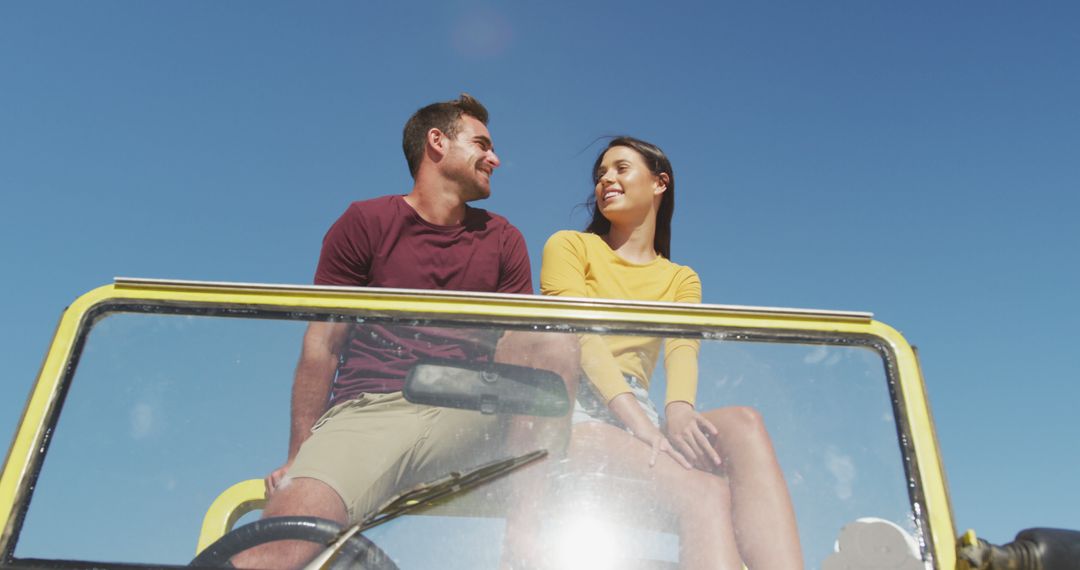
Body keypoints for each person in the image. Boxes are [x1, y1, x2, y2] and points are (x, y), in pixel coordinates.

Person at [233, 94, 576, 569]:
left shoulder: (504, 238)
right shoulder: (365, 223)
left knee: (552, 338)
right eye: (482, 144)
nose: (495, 158)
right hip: (370, 409)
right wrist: (299, 456)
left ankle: (525, 541)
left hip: (474, 410)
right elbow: (322, 345)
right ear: (437, 142)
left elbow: (527, 350)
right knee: (277, 546)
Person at [540, 136, 804, 570]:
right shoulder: (570, 246)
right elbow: (580, 333)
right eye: (601, 173)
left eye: (620, 168)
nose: (606, 178)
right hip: (578, 408)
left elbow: (682, 344)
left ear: (660, 182)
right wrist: (640, 425)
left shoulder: (680, 278)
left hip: (639, 409)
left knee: (745, 424)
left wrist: (678, 410)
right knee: (705, 492)